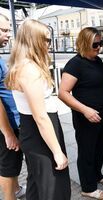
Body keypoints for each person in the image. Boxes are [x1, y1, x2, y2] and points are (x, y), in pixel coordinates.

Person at [5, 19, 71, 200]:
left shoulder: (23, 65)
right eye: (47, 40)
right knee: (54, 188)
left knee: (37, 184)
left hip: (36, 131)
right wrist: (58, 152)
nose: (49, 44)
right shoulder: (28, 70)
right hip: (39, 132)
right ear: (34, 40)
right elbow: (40, 117)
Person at [58, 27, 103, 199]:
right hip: (86, 116)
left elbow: (101, 78)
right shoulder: (75, 64)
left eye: (101, 43)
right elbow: (62, 93)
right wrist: (85, 110)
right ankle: (87, 187)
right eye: (95, 44)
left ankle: (97, 175)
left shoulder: (96, 60)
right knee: (87, 150)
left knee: (100, 146)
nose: (99, 47)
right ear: (84, 42)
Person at [0, 13, 26, 200]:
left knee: (13, 163)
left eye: (9, 30)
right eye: (4, 30)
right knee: (8, 166)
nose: (9, 35)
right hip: (6, 126)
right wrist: (8, 133)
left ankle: (16, 190)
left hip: (12, 122)